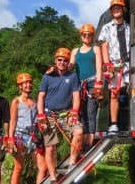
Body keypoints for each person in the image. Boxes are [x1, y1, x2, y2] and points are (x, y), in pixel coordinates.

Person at [37, 47, 82, 183]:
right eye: (59, 60)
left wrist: (74, 112)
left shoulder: (73, 76)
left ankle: (72, 164)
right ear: (55, 61)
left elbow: (76, 95)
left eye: (65, 60)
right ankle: (52, 177)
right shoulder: (47, 77)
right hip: (49, 115)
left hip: (66, 113)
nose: (62, 62)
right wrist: (40, 115)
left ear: (68, 62)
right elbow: (41, 97)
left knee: (78, 131)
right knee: (50, 148)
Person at [98, 0, 130, 135]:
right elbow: (104, 46)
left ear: (123, 9)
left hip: (129, 63)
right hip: (114, 64)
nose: (116, 10)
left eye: (118, 7)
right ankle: (114, 124)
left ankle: (134, 121)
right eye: (113, 8)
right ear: (111, 12)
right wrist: (108, 65)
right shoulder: (107, 27)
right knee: (114, 93)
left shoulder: (129, 27)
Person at [8, 73, 47, 184]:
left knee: (43, 167)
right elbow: (13, 121)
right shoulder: (16, 101)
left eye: (29, 83)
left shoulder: (34, 101)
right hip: (20, 136)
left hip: (33, 136)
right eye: (25, 83)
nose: (28, 85)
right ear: (20, 86)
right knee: (18, 168)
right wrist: (11, 140)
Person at [70, 23, 103, 150]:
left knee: (91, 112)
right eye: (85, 34)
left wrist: (98, 84)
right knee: (81, 113)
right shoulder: (75, 51)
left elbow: (99, 67)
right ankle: (82, 141)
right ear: (81, 35)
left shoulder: (95, 49)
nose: (87, 36)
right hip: (78, 86)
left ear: (92, 36)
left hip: (92, 84)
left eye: (89, 34)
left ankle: (89, 142)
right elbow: (70, 66)